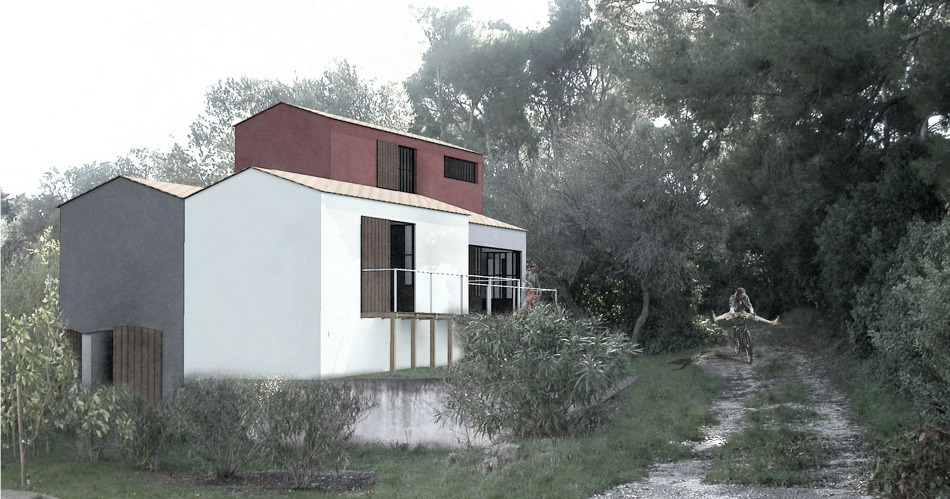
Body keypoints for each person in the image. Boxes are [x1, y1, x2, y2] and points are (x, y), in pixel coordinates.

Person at [711, 287, 779, 326]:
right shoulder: (732, 297)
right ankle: (715, 318)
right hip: (734, 313)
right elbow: (731, 307)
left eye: (743, 294)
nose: (743, 296)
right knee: (727, 315)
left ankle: (771, 322)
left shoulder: (745, 297)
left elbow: (749, 306)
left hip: (743, 312)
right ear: (738, 294)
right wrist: (733, 313)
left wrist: (752, 312)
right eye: (741, 295)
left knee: (755, 317)